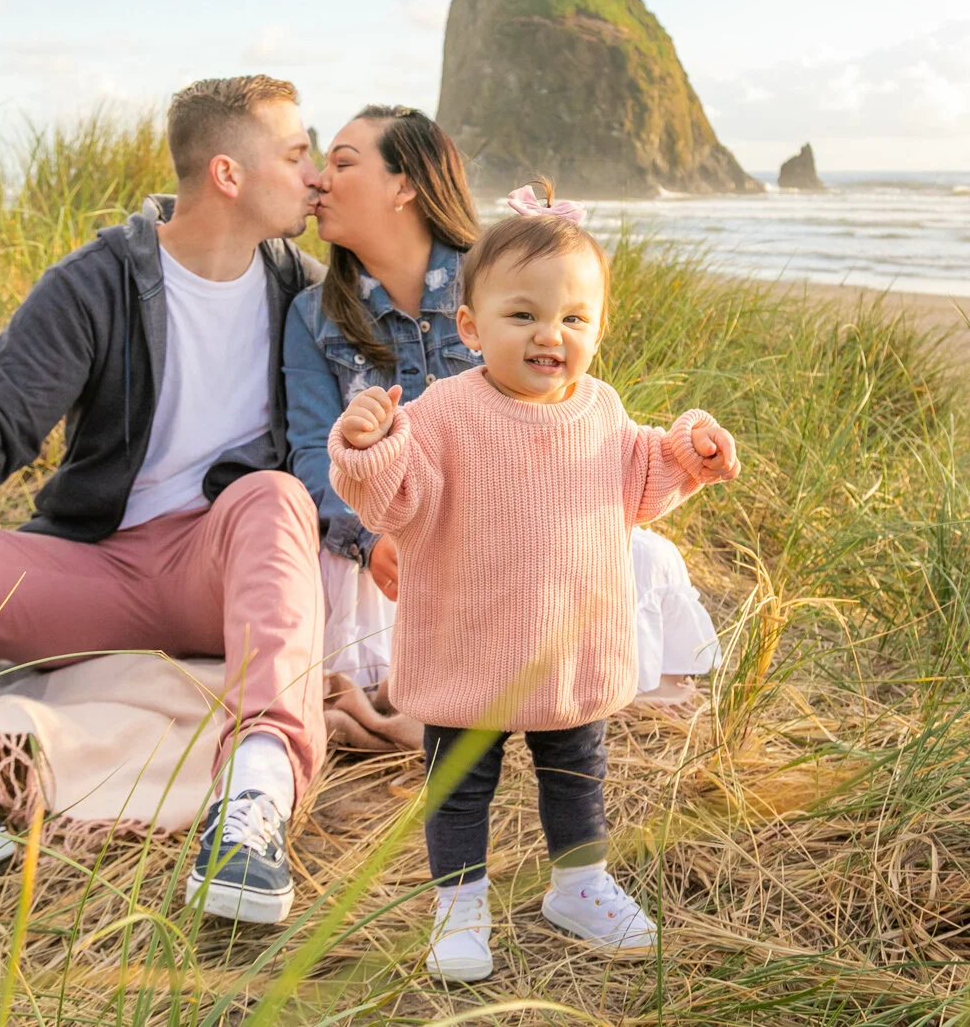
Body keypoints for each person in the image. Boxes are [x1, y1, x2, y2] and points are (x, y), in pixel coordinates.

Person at [0, 75, 328, 926]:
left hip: (220, 564)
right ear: (229, 173)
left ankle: (252, 805)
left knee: (272, 497)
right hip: (100, 566)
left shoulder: (305, 293)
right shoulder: (99, 282)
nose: (314, 175)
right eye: (297, 154)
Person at [327, 184, 742, 982]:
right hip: (468, 646)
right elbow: (392, 499)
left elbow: (643, 479)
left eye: (573, 318)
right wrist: (368, 447)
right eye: (522, 315)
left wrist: (691, 450)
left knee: (578, 773)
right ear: (471, 327)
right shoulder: (444, 413)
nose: (550, 334)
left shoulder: (602, 410)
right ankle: (459, 905)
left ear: (599, 329)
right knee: (458, 786)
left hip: (568, 649)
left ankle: (579, 885)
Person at [284, 107, 722, 739]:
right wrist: (370, 539)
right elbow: (310, 450)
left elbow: (574, 420)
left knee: (626, 559)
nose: (319, 180)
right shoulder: (313, 313)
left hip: (515, 532)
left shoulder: (505, 274)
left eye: (341, 163)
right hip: (387, 535)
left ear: (405, 185)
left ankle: (558, 691)